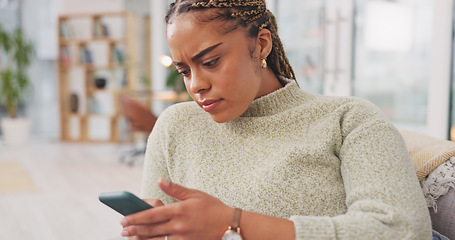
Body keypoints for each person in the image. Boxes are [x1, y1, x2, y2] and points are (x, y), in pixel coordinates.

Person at [119, 0, 432, 239]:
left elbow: (401, 230)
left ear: (261, 45)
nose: (195, 85)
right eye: (184, 71)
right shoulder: (175, 125)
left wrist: (234, 222)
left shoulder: (349, 120)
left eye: (211, 62)